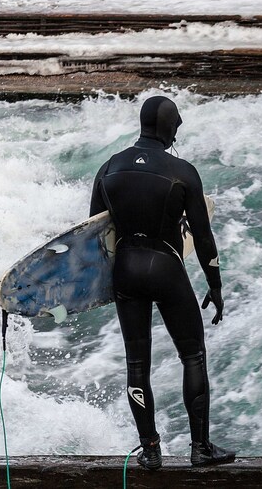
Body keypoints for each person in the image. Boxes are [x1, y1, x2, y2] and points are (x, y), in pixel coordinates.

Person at [90, 95, 235, 470]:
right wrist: (215, 285)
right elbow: (202, 237)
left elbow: (94, 230)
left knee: (136, 364)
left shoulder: (109, 167)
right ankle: (200, 448)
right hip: (165, 268)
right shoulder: (183, 171)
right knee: (193, 355)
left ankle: (150, 449)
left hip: (126, 268)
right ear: (170, 127)